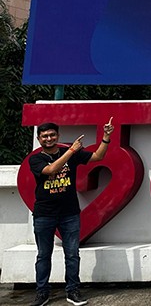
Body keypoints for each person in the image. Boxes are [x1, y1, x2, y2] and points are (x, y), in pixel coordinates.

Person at [28, 117, 114, 306]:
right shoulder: (36, 159)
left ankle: (73, 291)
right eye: (44, 136)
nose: (49, 138)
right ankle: (42, 293)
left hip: (69, 214)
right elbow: (51, 170)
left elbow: (97, 157)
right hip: (44, 214)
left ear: (58, 136)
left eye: (52, 135)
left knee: (73, 254)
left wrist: (106, 137)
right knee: (43, 255)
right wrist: (72, 150)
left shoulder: (70, 153)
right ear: (39, 139)